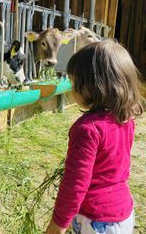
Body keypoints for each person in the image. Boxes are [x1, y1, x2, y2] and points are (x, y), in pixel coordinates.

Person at [46, 39, 144, 234]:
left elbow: (74, 185)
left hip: (96, 221)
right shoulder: (125, 119)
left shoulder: (87, 130)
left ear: (93, 86)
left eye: (74, 84)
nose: (71, 90)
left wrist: (57, 226)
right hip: (124, 214)